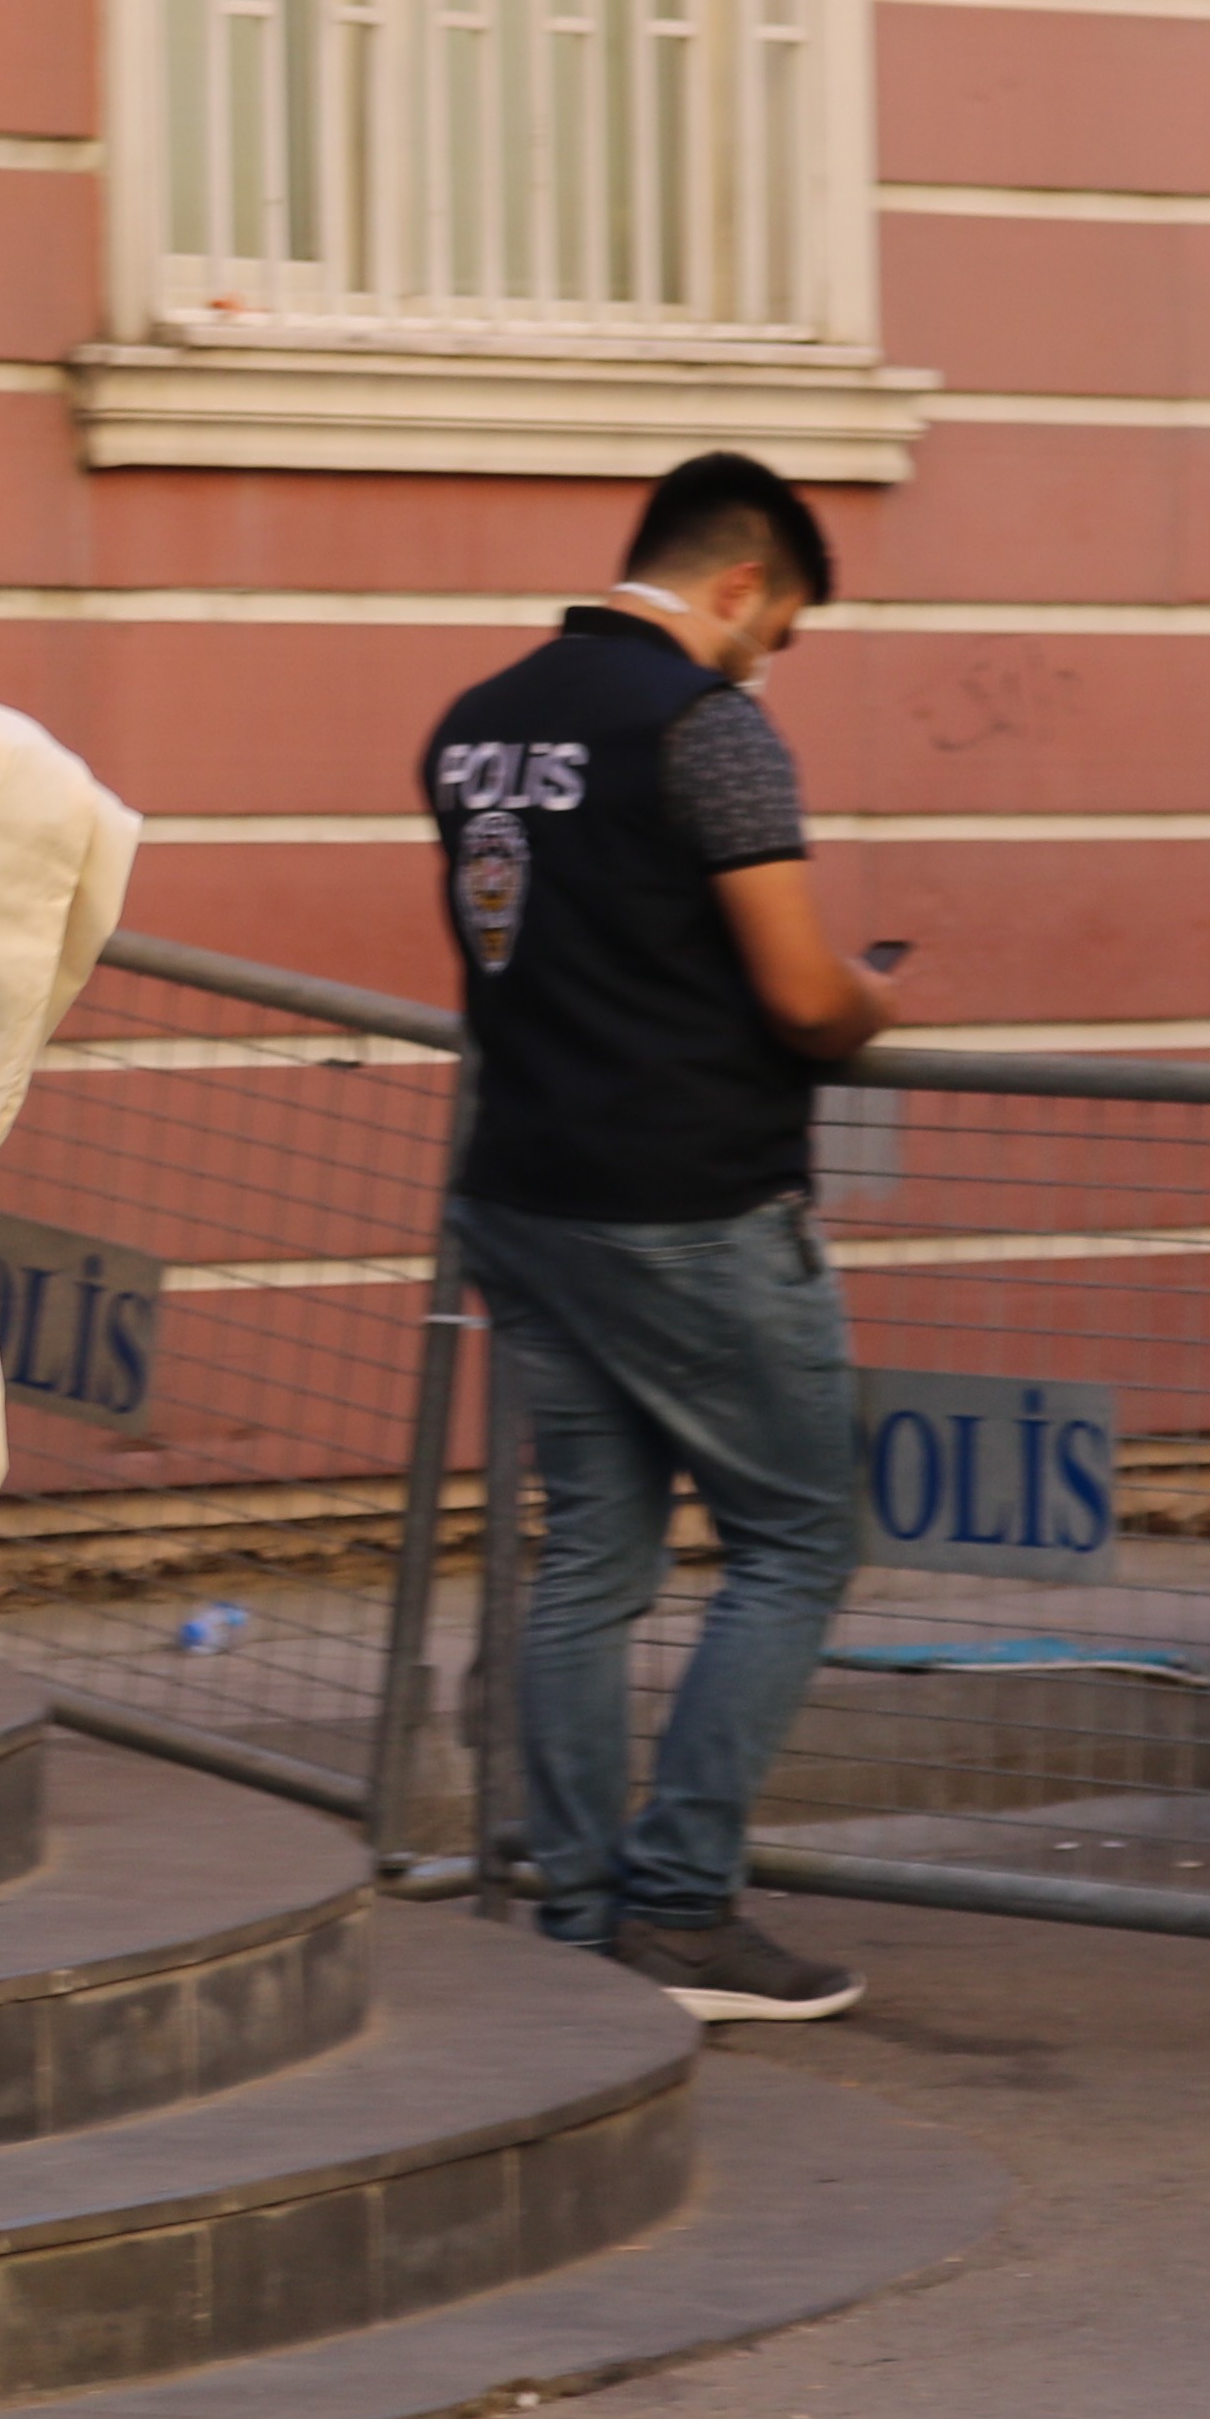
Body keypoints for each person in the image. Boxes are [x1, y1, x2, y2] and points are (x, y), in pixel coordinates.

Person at [417, 450, 894, 2023]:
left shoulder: (477, 722)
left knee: (592, 1562)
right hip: (688, 1202)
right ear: (740, 584)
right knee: (798, 1535)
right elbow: (804, 996)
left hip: (523, 1188)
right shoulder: (711, 730)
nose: (775, 661)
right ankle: (682, 1908)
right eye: (784, 628)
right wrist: (876, 997)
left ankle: (576, 1914)